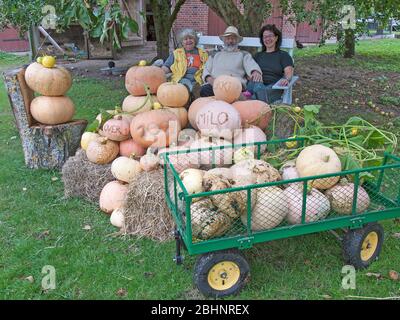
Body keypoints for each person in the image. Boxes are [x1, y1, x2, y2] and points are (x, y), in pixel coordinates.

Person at [200, 26, 262, 97]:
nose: (230, 41)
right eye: (228, 38)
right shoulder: (215, 55)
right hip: (216, 85)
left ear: (237, 41)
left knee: (233, 94)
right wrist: (210, 79)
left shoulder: (244, 55)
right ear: (224, 40)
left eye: (233, 38)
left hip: (234, 86)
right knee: (204, 90)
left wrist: (255, 71)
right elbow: (206, 70)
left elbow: (251, 65)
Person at [246, 24, 294, 104]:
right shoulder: (257, 56)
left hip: (273, 87)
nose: (267, 39)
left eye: (270, 36)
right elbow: (248, 74)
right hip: (256, 84)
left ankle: (252, 99)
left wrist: (286, 79)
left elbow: (289, 72)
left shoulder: (283, 55)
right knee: (257, 86)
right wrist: (253, 74)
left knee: (263, 90)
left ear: (276, 38)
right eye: (265, 37)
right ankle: (257, 100)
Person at [160, 28, 208, 100]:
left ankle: (191, 96)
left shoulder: (203, 53)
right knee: (186, 83)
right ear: (182, 42)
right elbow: (166, 66)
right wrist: (159, 73)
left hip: (197, 79)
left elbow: (208, 67)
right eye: (185, 39)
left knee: (196, 85)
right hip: (181, 78)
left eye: (191, 38)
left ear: (195, 40)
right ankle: (193, 95)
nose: (188, 40)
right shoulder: (176, 53)